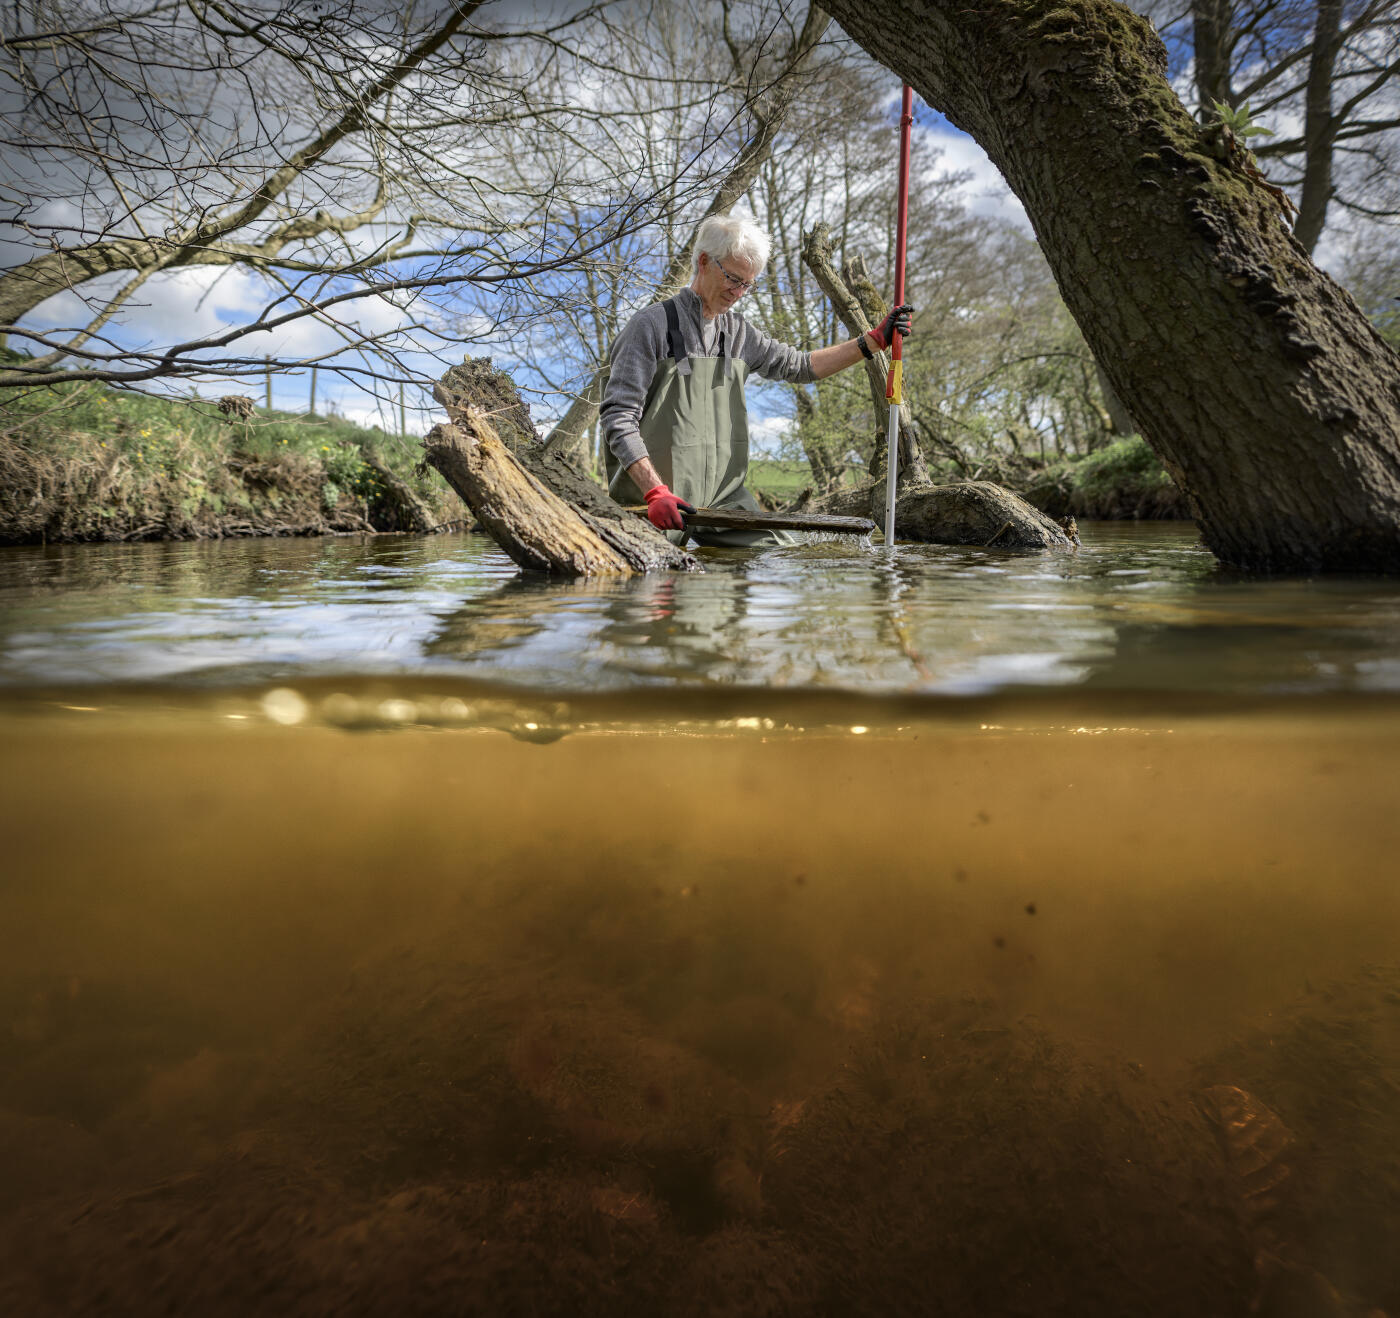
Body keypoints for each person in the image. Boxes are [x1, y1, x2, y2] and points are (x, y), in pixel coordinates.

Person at [601, 213, 913, 547]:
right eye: (734, 279)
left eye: (748, 284)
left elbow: (800, 366)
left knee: (780, 551)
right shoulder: (649, 326)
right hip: (652, 505)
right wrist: (654, 490)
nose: (739, 292)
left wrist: (872, 342)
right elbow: (618, 417)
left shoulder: (739, 333)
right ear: (703, 262)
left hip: (723, 502)